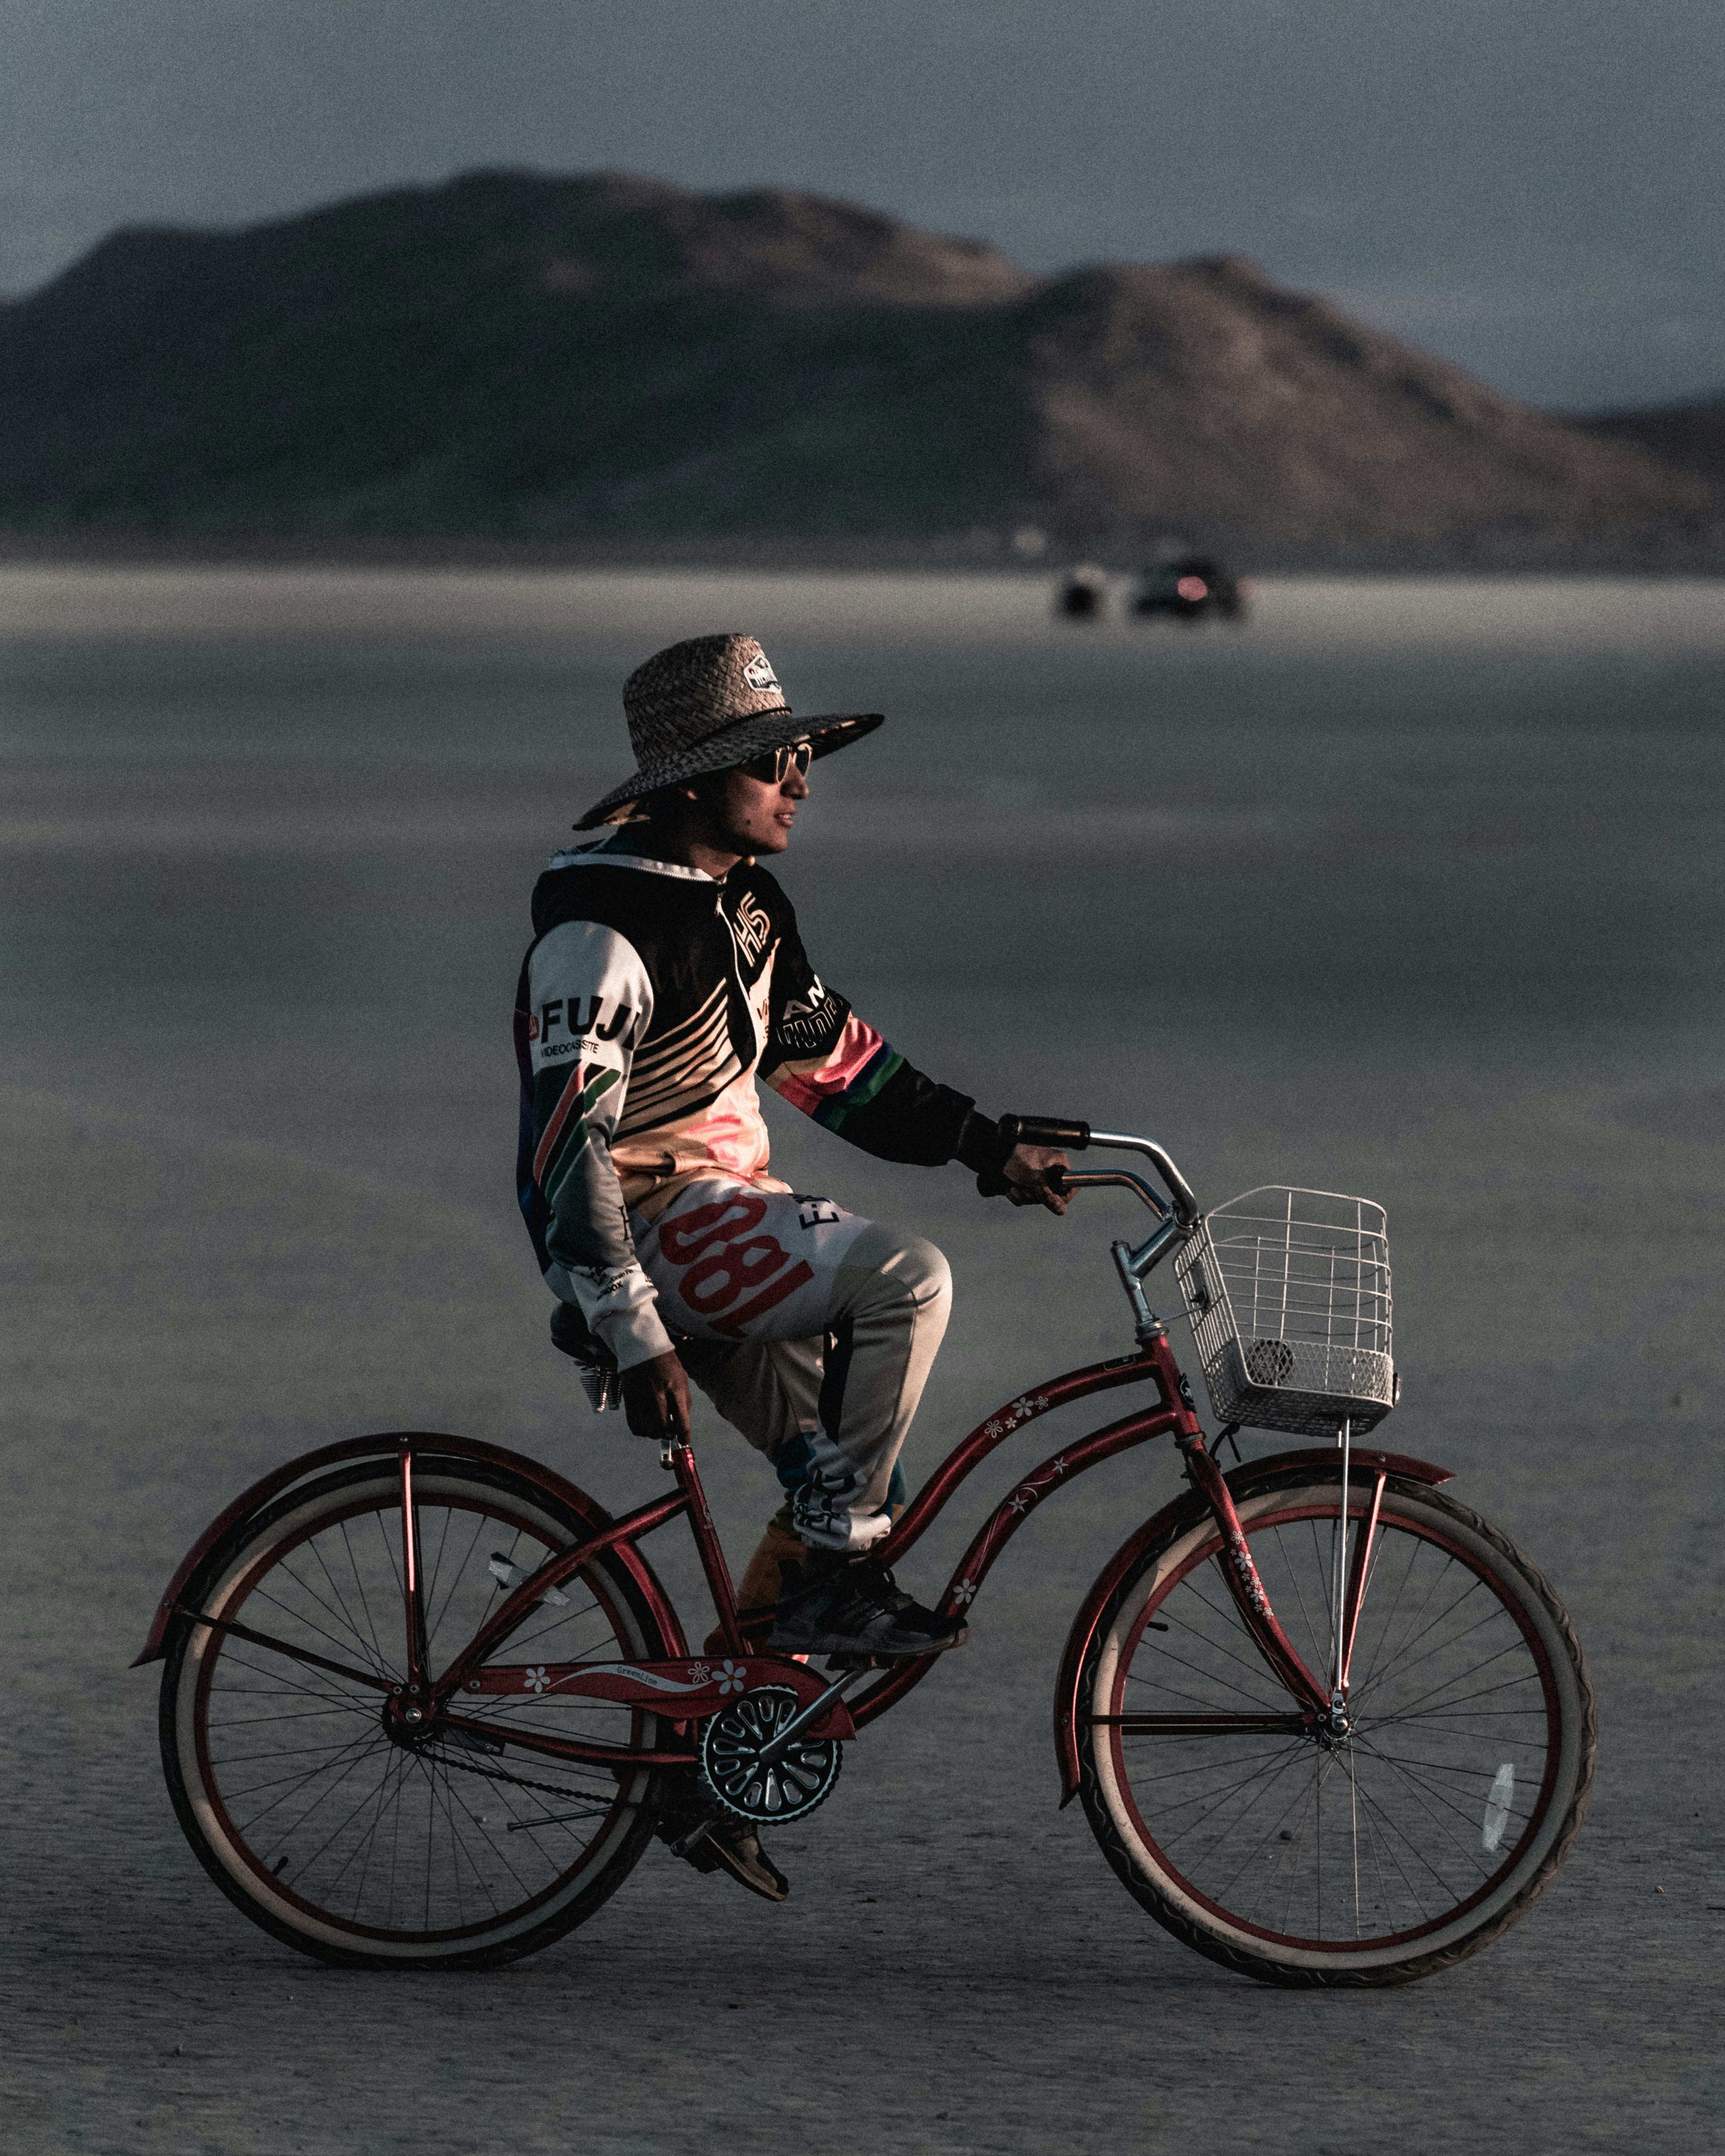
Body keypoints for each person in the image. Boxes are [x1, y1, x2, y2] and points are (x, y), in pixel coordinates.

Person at [513, 633, 1068, 1898]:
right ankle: (831, 1584)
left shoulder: (747, 904)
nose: (801, 781)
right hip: (651, 1230)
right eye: (774, 762)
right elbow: (562, 1150)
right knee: (906, 1283)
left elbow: (834, 1065)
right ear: (693, 781)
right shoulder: (601, 930)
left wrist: (986, 1146)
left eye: (803, 756)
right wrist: (628, 1324)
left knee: (852, 1477)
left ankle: (709, 1768)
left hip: (725, 1219)